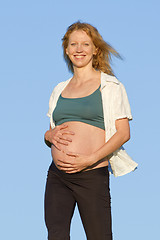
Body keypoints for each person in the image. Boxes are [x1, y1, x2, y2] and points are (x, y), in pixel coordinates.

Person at [44, 21, 138, 240]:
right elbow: (52, 131)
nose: (79, 49)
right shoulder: (59, 89)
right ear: (66, 49)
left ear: (95, 49)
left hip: (92, 174)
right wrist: (47, 136)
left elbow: (124, 133)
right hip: (58, 176)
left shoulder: (110, 86)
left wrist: (89, 159)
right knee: (56, 236)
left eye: (85, 44)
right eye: (73, 44)